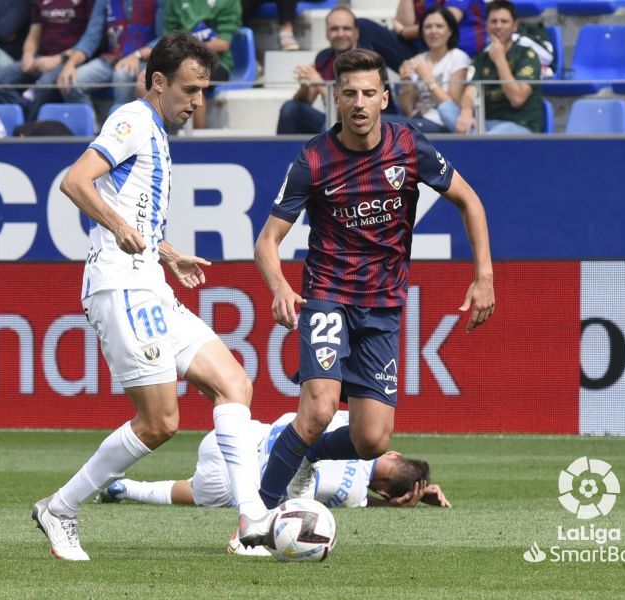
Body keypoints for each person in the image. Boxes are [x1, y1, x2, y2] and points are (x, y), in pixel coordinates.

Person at [31, 31, 270, 561]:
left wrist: (166, 252)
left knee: (234, 383)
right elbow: (76, 181)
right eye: (190, 89)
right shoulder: (133, 120)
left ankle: (252, 519)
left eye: (203, 91)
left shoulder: (155, 130)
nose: (198, 102)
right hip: (121, 287)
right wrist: (118, 227)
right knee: (160, 424)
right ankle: (60, 508)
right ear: (158, 82)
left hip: (150, 283)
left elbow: (131, 211)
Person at [254, 48, 494, 512]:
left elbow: (470, 201)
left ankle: (306, 458)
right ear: (336, 99)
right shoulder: (313, 159)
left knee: (371, 440)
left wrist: (484, 276)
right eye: (349, 93)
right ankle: (255, 519)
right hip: (328, 295)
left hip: (382, 306)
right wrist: (280, 286)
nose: (359, 103)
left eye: (368, 93)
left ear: (385, 97)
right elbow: (267, 241)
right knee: (319, 409)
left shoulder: (409, 146)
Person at [100, 410, 451, 512]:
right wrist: (393, 505)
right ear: (386, 492)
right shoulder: (353, 495)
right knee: (191, 492)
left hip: (234, 437)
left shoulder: (351, 423)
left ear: (393, 453)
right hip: (235, 482)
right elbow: (364, 500)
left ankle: (116, 479)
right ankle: (124, 488)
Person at [0, 0, 105, 120]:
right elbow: (34, 34)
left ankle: (29, 124)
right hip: (42, 58)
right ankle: (22, 118)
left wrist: (59, 59)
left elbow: (90, 39)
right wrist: (28, 55)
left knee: (44, 85)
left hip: (71, 59)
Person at [439, 0, 543, 134]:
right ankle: (477, 140)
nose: (498, 26)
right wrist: (466, 112)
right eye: (494, 21)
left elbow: (517, 99)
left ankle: (476, 141)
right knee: (446, 108)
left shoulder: (527, 55)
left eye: (504, 21)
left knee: (492, 136)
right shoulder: (481, 58)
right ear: (486, 25)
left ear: (515, 26)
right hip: (485, 123)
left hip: (518, 124)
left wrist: (500, 61)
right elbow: (470, 92)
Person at [59, 0, 165, 110]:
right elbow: (91, 36)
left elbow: (163, 38)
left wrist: (137, 55)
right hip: (111, 59)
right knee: (70, 82)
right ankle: (92, 121)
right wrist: (70, 64)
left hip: (143, 60)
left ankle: (124, 119)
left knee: (122, 75)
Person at [275, 6, 358, 135]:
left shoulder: (366, 60)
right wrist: (305, 86)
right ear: (327, 33)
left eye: (346, 28)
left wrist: (320, 84)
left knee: (330, 127)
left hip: (368, 123)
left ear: (356, 32)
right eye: (334, 29)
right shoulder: (324, 56)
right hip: (335, 121)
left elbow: (351, 113)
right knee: (289, 110)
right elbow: (306, 100)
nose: (340, 34)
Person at [163, 0, 241, 128]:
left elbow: (223, 43)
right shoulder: (174, 2)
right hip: (180, 60)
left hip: (216, 62)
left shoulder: (228, 2)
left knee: (192, 83)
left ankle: (197, 136)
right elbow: (169, 40)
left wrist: (186, 51)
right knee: (147, 79)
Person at [396, 6, 470, 134]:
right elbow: (407, 111)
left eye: (439, 26)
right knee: (381, 122)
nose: (433, 31)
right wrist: (405, 83)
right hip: (417, 120)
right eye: (428, 27)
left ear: (450, 31)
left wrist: (427, 78)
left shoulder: (458, 57)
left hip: (442, 122)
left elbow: (453, 108)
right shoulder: (417, 60)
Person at [360, 0, 487, 73]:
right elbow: (406, 24)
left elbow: (447, 21)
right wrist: (404, 31)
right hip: (422, 54)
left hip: (456, 57)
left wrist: (403, 32)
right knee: (363, 26)